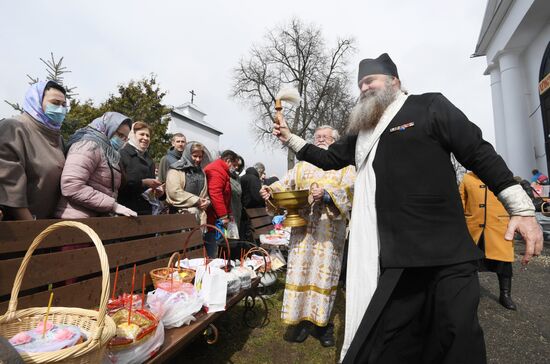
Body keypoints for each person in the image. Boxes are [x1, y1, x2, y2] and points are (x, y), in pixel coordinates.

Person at [272, 53, 543, 363]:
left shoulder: (430, 106)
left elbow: (478, 153)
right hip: (396, 260)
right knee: (395, 345)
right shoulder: (361, 135)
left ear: (394, 82)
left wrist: (521, 208)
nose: (364, 87)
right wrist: (289, 137)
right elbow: (327, 159)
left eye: (370, 80)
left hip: (448, 256)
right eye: (360, 83)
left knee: (458, 339)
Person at [260, 125, 355, 347]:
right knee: (300, 275)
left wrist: (329, 195)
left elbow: (352, 190)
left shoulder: (346, 167)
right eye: (317, 137)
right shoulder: (302, 165)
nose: (320, 139)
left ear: (335, 141)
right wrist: (271, 190)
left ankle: (322, 325)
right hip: (302, 231)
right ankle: (300, 322)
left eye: (325, 137)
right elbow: (285, 184)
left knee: (325, 276)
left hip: (329, 234)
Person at [0, 81, 67, 220]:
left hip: (49, 226)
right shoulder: (14, 128)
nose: (60, 109)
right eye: (55, 103)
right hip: (20, 229)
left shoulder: (58, 138)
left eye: (64, 105)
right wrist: (31, 227)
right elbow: (10, 186)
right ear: (36, 101)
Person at [55, 112, 137, 218]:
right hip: (76, 219)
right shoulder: (88, 146)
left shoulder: (109, 152)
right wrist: (113, 205)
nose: (122, 140)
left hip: (94, 220)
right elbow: (71, 185)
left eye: (125, 138)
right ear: (108, 128)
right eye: (120, 135)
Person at [459, 172, 517, 310]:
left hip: (499, 227)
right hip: (474, 227)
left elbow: (514, 200)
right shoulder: (467, 178)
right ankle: (469, 294)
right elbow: (460, 201)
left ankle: (505, 295)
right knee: (469, 263)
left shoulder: (502, 175)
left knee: (504, 264)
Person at [118, 121, 164, 215]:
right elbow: (119, 184)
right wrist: (143, 183)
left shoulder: (149, 160)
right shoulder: (122, 155)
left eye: (148, 136)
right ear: (133, 135)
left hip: (146, 211)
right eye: (142, 134)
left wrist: (158, 191)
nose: (145, 138)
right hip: (126, 211)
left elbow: (150, 186)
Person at [203, 150, 240, 258]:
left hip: (215, 216)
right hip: (212, 217)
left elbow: (225, 195)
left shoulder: (222, 170)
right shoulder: (217, 170)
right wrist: (223, 215)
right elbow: (215, 193)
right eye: (234, 165)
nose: (235, 168)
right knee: (212, 247)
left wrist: (228, 213)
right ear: (228, 161)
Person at [165, 141, 210, 224]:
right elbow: (174, 192)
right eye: (195, 156)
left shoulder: (201, 172)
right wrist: (197, 200)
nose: (198, 159)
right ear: (188, 155)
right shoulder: (176, 170)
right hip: (179, 218)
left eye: (200, 157)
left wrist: (206, 202)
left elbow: (204, 194)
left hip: (199, 218)